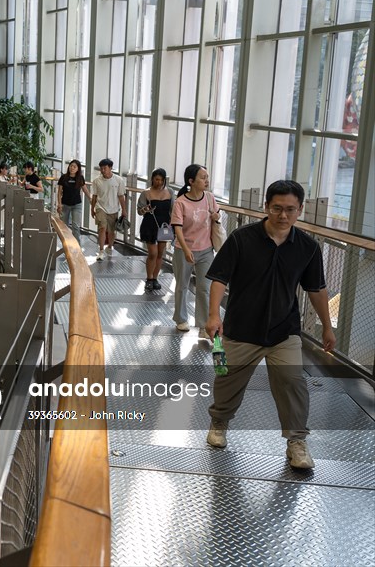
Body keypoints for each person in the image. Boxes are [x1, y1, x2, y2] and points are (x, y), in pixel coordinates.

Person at [204, 180, 335, 470]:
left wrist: (327, 326)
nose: (283, 215)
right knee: (228, 381)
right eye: (277, 208)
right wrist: (214, 315)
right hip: (241, 328)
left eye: (290, 209)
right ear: (266, 207)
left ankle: (297, 442)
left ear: (300, 210)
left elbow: (316, 289)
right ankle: (219, 423)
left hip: (283, 330)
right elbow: (219, 278)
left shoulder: (308, 247)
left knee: (292, 382)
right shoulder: (241, 238)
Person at [171, 164, 221, 335]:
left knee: (204, 288)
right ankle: (181, 319)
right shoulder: (181, 202)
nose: (206, 180)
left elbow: (217, 216)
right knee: (182, 286)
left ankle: (204, 325)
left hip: (206, 250)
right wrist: (186, 250)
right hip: (183, 250)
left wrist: (216, 216)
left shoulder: (210, 198)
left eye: (207, 177)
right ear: (191, 181)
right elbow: (177, 228)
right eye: (202, 177)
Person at [137, 168, 173, 291]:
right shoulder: (146, 193)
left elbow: (173, 210)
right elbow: (139, 211)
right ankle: (149, 278)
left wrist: (174, 224)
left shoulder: (170, 192)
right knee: (153, 253)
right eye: (157, 179)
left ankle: (155, 278)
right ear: (152, 179)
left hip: (164, 226)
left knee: (160, 253)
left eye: (161, 180)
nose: (159, 182)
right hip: (150, 225)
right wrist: (145, 210)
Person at [90, 158, 127, 260]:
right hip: (100, 207)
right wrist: (92, 208)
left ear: (110, 168)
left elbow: (121, 196)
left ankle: (110, 247)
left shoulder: (119, 180)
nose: (102, 170)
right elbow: (94, 196)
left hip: (114, 209)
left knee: (112, 231)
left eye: (105, 168)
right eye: (101, 168)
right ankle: (101, 250)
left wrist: (124, 209)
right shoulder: (97, 181)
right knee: (102, 228)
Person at [56, 159, 91, 241]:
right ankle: (66, 247)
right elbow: (59, 192)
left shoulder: (80, 178)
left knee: (76, 226)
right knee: (64, 227)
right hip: (65, 204)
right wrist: (59, 204)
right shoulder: (63, 177)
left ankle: (77, 248)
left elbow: (85, 189)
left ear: (78, 169)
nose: (72, 168)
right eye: (71, 166)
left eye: (74, 167)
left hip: (76, 204)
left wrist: (90, 198)